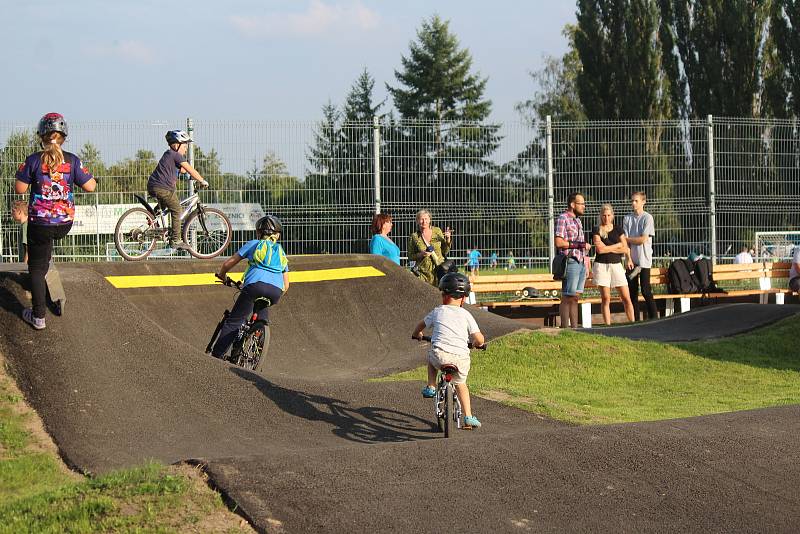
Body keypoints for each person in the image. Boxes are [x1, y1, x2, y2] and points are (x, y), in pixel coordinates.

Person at [14, 113, 97, 330]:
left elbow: (20, 189)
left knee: (36, 267)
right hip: (64, 223)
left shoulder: (33, 160)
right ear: (64, 137)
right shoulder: (72, 160)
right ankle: (47, 260)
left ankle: (38, 316)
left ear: (41, 136)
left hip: (40, 224)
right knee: (46, 246)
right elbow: (91, 186)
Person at [211, 215, 289, 361]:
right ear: (277, 235)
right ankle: (259, 334)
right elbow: (287, 285)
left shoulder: (254, 244)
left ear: (258, 233)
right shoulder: (281, 252)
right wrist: (275, 293)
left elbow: (228, 264)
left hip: (253, 286)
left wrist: (222, 276)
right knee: (261, 312)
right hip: (276, 291)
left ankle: (216, 356)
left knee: (234, 321)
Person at [412, 272, 485, 429]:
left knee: (431, 357)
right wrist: (477, 344)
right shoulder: (466, 314)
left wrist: (417, 334)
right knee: (461, 385)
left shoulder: (438, 311)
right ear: (464, 299)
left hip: (440, 356)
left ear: (443, 295)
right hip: (461, 359)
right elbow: (479, 338)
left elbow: (420, 325)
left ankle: (431, 386)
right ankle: (468, 417)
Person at [147, 130, 209, 250]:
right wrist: (202, 180)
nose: (186, 149)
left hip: (153, 186)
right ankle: (176, 240)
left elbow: (183, 172)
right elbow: (190, 169)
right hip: (163, 188)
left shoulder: (169, 155)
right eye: (185, 145)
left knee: (164, 207)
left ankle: (152, 220)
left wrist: (192, 178)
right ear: (176, 145)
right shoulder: (176, 155)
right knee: (177, 209)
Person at [591, 204, 635, 325]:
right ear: (600, 216)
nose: (606, 218)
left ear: (612, 216)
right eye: (604, 215)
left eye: (609, 215)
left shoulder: (618, 229)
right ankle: (607, 325)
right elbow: (600, 250)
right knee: (606, 298)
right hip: (601, 266)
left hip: (617, 265)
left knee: (626, 297)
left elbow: (626, 248)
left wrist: (626, 255)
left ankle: (632, 323)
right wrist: (617, 246)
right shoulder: (596, 229)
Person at [554, 192, 590, 328]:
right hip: (570, 261)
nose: (584, 206)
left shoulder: (578, 220)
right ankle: (564, 327)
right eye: (581, 203)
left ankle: (574, 328)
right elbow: (558, 242)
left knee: (575, 297)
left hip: (580, 262)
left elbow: (581, 243)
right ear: (572, 204)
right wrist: (578, 245)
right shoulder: (563, 218)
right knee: (567, 296)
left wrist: (586, 262)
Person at [623, 191, 658, 321]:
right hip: (632, 261)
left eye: (636, 201)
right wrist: (628, 258)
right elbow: (624, 242)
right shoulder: (627, 218)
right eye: (632, 200)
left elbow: (643, 239)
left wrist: (628, 239)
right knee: (632, 293)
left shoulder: (647, 218)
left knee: (645, 290)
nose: (633, 203)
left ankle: (654, 318)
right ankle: (635, 320)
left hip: (644, 261)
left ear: (643, 202)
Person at [407, 209, 452, 286]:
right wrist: (421, 254)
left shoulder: (437, 231)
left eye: (426, 219)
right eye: (421, 219)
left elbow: (445, 251)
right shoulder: (414, 236)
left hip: (439, 270)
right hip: (422, 273)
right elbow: (410, 256)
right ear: (417, 221)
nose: (424, 221)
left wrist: (448, 239)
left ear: (430, 220)